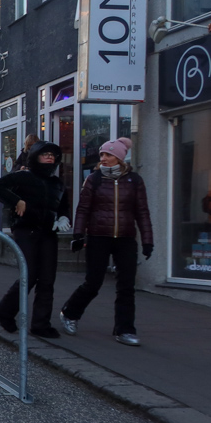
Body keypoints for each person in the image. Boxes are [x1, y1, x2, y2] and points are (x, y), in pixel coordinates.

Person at [60, 138, 154, 346]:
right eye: (102, 154)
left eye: (108, 155)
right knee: (93, 283)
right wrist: (78, 235)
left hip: (126, 238)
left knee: (126, 286)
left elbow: (142, 212)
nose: (103, 158)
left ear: (119, 158)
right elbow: (83, 209)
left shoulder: (134, 181)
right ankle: (70, 313)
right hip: (98, 237)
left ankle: (125, 330)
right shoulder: (94, 179)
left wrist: (148, 240)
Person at [0, 141, 71, 338]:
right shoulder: (24, 176)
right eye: (45, 154)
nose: (50, 157)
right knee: (30, 274)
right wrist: (16, 200)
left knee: (48, 279)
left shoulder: (57, 183)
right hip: (26, 230)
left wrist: (63, 217)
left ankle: (41, 324)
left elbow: (63, 206)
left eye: (53, 154)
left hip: (48, 232)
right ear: (35, 156)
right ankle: (5, 309)